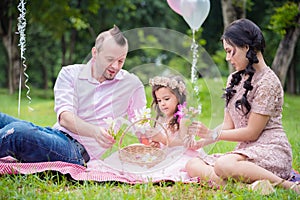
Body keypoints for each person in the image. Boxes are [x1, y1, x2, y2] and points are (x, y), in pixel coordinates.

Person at [0, 25, 146, 166]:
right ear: (95, 53)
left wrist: (151, 137)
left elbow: (140, 123)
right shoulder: (70, 73)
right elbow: (65, 118)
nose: (115, 66)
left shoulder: (132, 85)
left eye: (121, 61)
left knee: (17, 133)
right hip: (55, 134)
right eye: (110, 59)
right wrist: (95, 131)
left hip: (76, 151)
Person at [185, 19, 299, 194]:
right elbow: (228, 126)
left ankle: (289, 186)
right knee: (193, 164)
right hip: (246, 152)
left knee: (224, 165)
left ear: (246, 46)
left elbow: (252, 132)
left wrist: (211, 133)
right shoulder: (234, 79)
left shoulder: (268, 82)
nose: (227, 58)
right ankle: (250, 187)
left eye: (230, 51)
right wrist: (201, 142)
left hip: (271, 149)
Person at [144, 75, 192, 147]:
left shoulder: (183, 120)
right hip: (167, 155)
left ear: (179, 97)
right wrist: (157, 145)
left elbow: (185, 144)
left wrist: (163, 139)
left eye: (166, 99)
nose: (162, 104)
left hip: (182, 155)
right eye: (159, 100)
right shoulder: (161, 120)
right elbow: (164, 145)